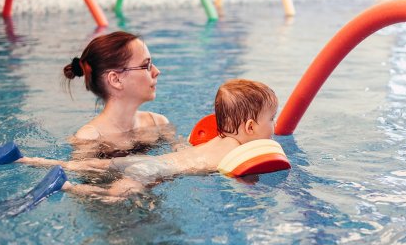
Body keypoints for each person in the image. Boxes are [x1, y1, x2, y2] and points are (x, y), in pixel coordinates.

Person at [21, 79, 279, 200]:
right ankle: (66, 188)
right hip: (156, 170)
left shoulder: (216, 141)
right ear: (250, 126)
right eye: (272, 119)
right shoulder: (238, 153)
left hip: (149, 160)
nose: (274, 125)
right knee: (116, 196)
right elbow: (243, 178)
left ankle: (31, 160)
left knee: (94, 166)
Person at [58, 31, 178, 159]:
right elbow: (78, 170)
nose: (157, 71)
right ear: (116, 80)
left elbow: (182, 155)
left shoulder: (158, 124)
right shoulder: (90, 137)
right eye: (146, 65)